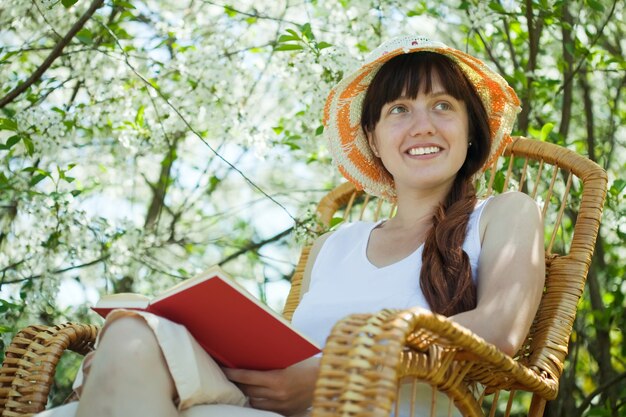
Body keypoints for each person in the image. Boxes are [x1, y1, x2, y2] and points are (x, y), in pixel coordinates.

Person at [35, 35, 544, 417]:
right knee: (130, 335)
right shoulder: (333, 245)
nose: (423, 125)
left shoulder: (503, 214)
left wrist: (331, 374)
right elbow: (283, 356)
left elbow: (500, 330)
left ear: (471, 131)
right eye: (399, 110)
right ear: (374, 138)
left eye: (442, 106)